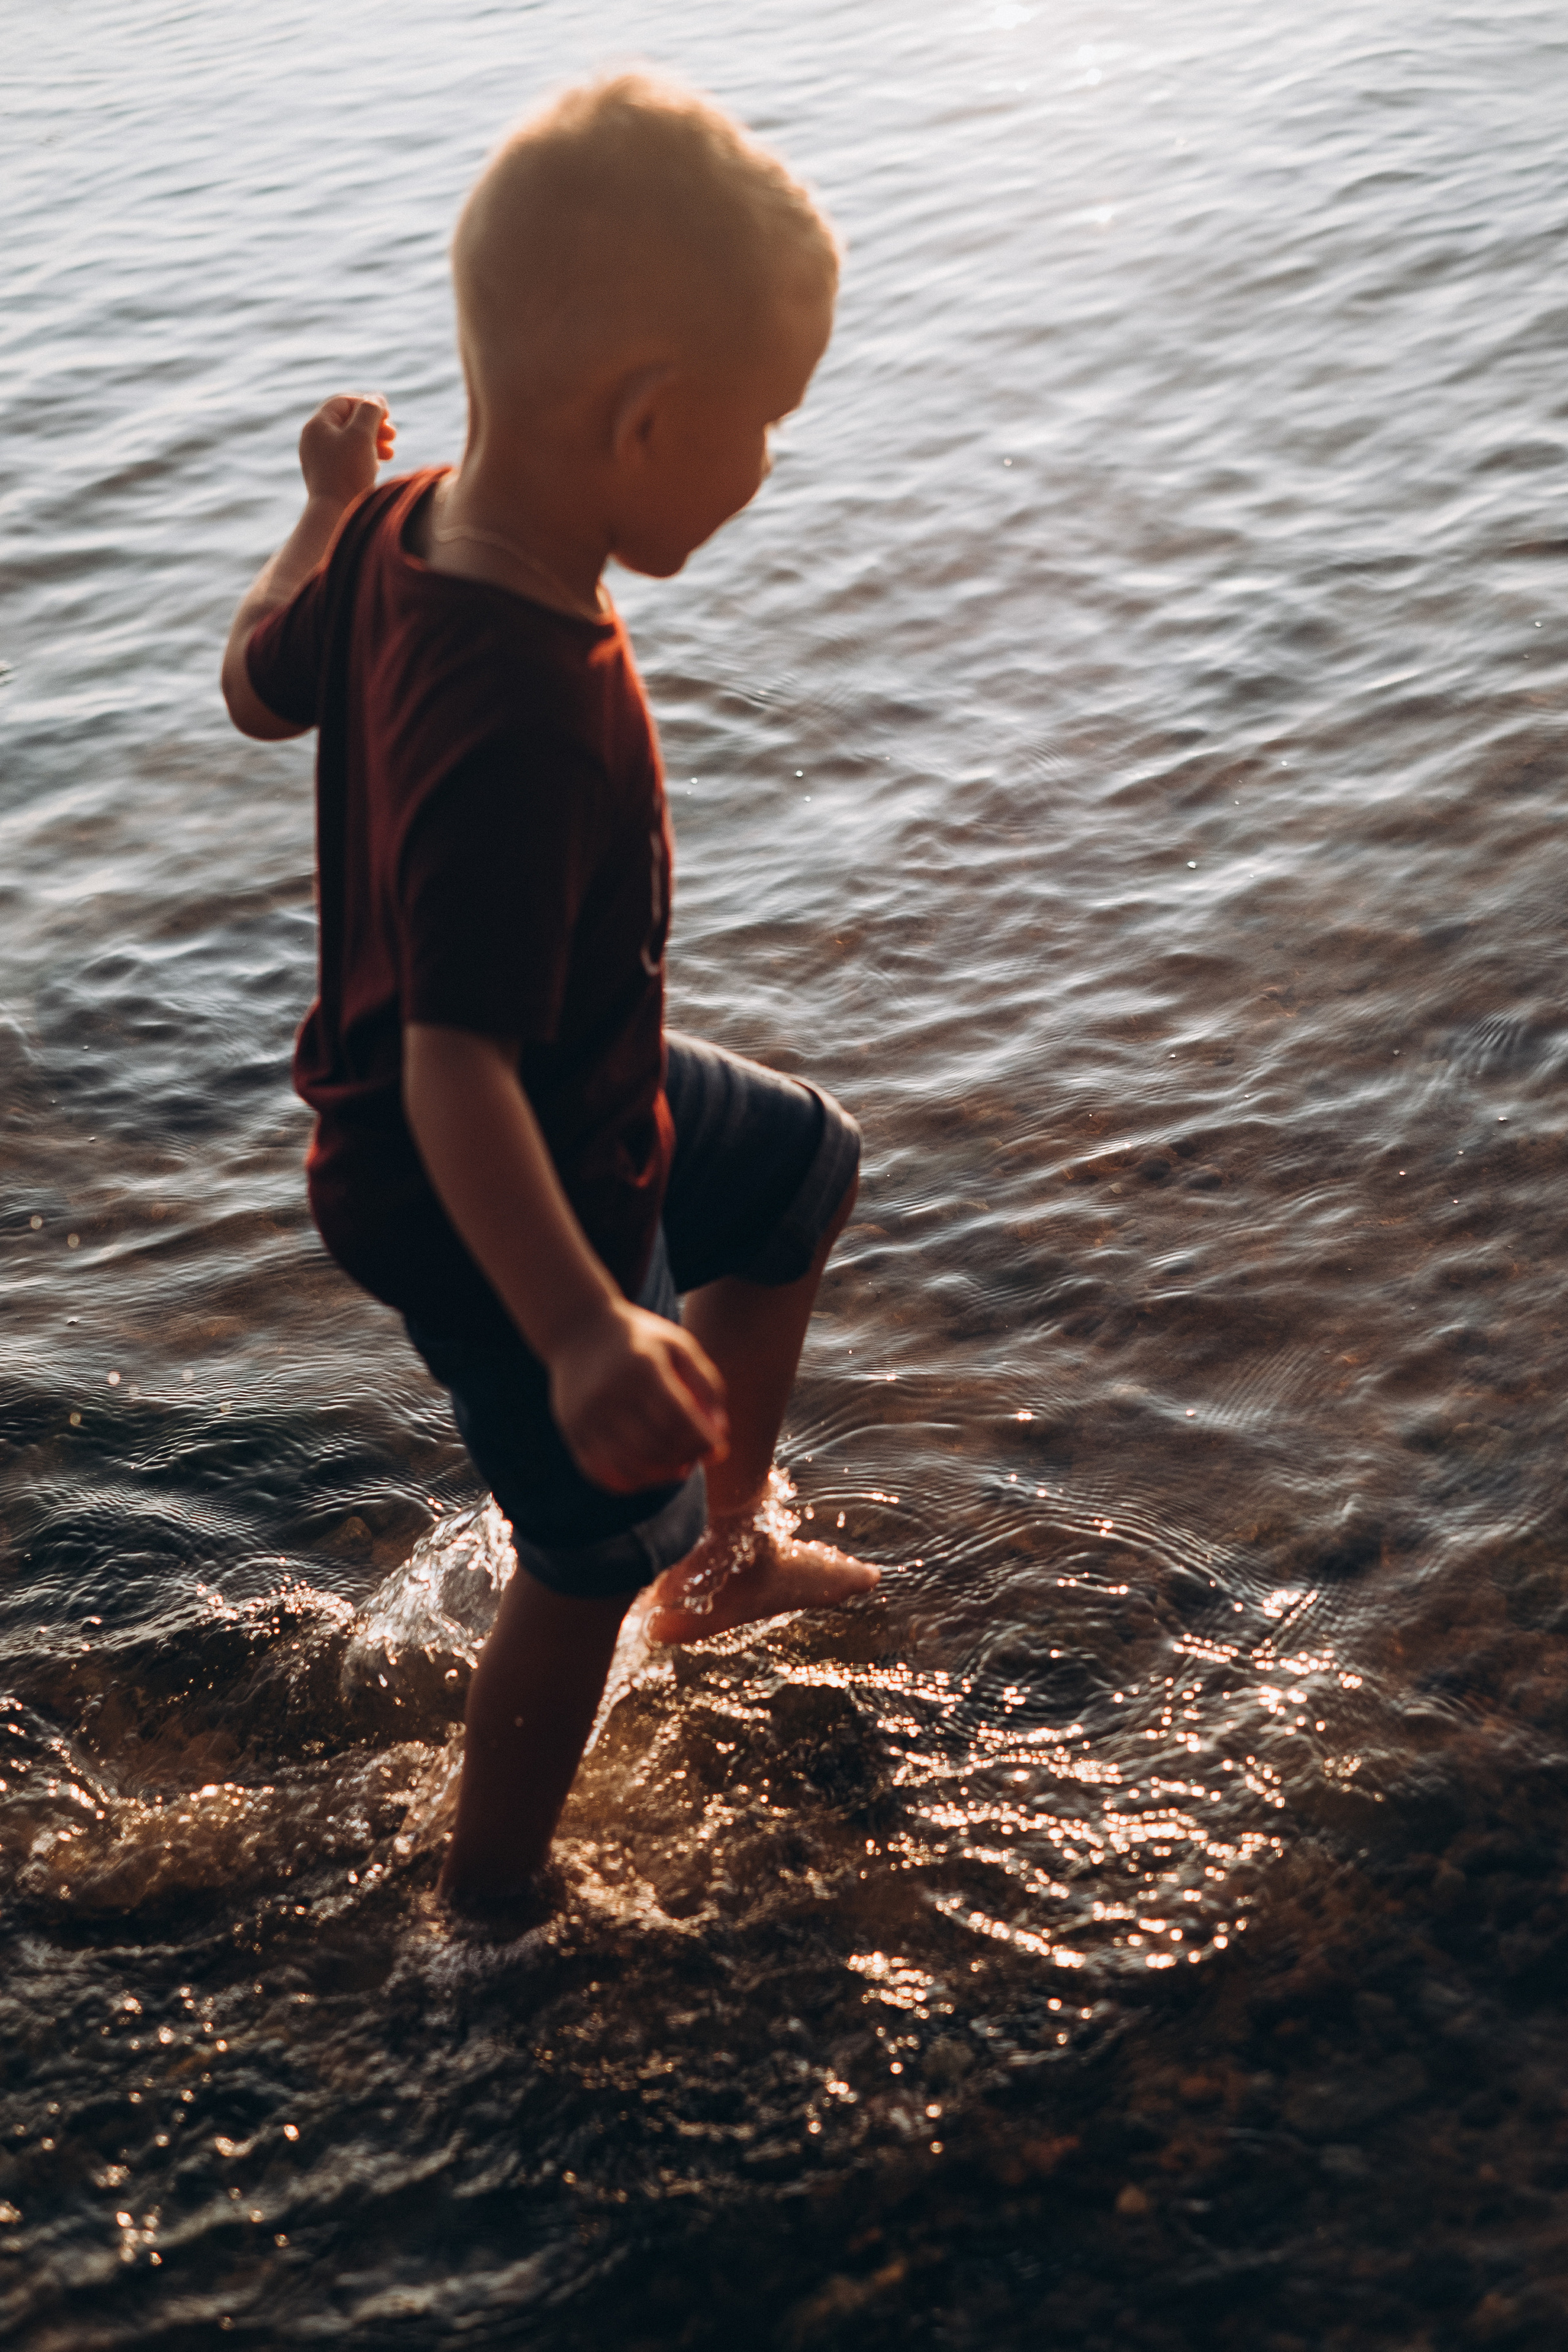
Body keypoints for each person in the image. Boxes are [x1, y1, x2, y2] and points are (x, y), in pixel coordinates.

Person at [219, 74, 878, 1913]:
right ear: (647, 420)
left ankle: (726, 1558)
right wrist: (586, 1328)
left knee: (799, 1170)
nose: (768, 467)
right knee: (583, 1555)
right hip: (481, 1175)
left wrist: (321, 511)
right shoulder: (527, 710)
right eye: (764, 428)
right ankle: (491, 1913)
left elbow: (256, 686)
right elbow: (454, 1073)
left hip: (579, 1086)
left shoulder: (402, 523)